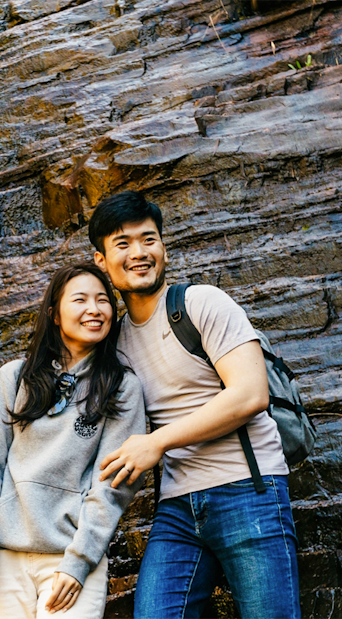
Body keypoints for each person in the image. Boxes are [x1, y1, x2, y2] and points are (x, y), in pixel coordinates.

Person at [89, 191, 301, 619]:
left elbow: (250, 394)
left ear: (163, 246)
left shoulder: (201, 303)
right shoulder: (115, 340)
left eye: (148, 239)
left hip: (248, 491)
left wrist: (156, 443)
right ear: (101, 260)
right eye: (123, 244)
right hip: (177, 510)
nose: (139, 253)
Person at [0, 262, 146, 619]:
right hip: (3, 559)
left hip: (70, 561)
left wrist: (79, 563)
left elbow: (112, 486)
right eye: (80, 300)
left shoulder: (122, 388)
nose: (94, 309)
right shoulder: (14, 378)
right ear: (55, 314)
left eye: (103, 300)